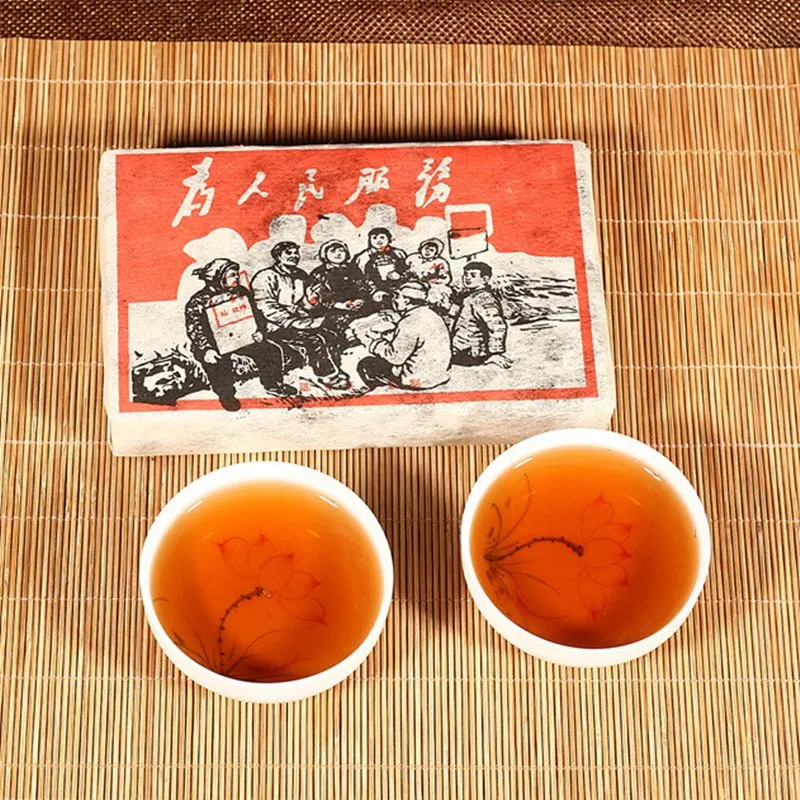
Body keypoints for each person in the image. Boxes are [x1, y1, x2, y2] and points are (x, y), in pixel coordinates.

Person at [184, 258, 295, 411]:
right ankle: (227, 395)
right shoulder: (198, 301)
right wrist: (206, 349)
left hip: (243, 339)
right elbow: (195, 329)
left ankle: (273, 384)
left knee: (271, 350)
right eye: (232, 275)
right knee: (218, 365)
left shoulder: (241, 292)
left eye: (237, 274)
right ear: (218, 278)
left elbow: (256, 314)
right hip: (213, 345)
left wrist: (259, 331)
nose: (237, 277)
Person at [250, 241, 347, 389]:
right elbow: (266, 307)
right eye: (289, 253)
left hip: (299, 320)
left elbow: (304, 304)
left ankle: (334, 369)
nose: (294, 256)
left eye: (296, 253)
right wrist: (292, 322)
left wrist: (312, 302)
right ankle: (327, 376)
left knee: (330, 333)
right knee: (314, 340)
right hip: (273, 325)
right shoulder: (265, 276)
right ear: (278, 256)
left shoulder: (300, 275)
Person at [357, 280, 451, 390]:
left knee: (367, 363)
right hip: (440, 374)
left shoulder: (408, 322)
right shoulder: (432, 315)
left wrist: (374, 343)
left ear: (406, 301)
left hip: (417, 379)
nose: (394, 300)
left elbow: (395, 358)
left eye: (397, 296)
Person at [449, 261, 512, 369]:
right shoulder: (470, 295)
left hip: (471, 352)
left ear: (485, 279)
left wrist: (495, 353)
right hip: (461, 346)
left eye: (473, 275)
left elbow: (497, 326)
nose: (467, 278)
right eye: (466, 274)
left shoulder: (484, 299)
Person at [351, 227, 408, 295]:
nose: (378, 240)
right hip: (374, 289)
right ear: (370, 240)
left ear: (389, 238)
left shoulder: (399, 253)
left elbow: (406, 268)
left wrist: (399, 275)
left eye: (382, 237)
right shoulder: (363, 257)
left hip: (399, 285)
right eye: (374, 238)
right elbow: (357, 274)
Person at [405, 237, 452, 310]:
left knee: (436, 293)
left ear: (436, 253)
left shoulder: (440, 262)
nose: (428, 251)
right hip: (414, 282)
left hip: (432, 285)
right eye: (426, 248)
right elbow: (404, 268)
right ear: (421, 248)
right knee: (406, 290)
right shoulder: (413, 258)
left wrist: (437, 278)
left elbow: (446, 278)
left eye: (431, 250)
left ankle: (435, 305)